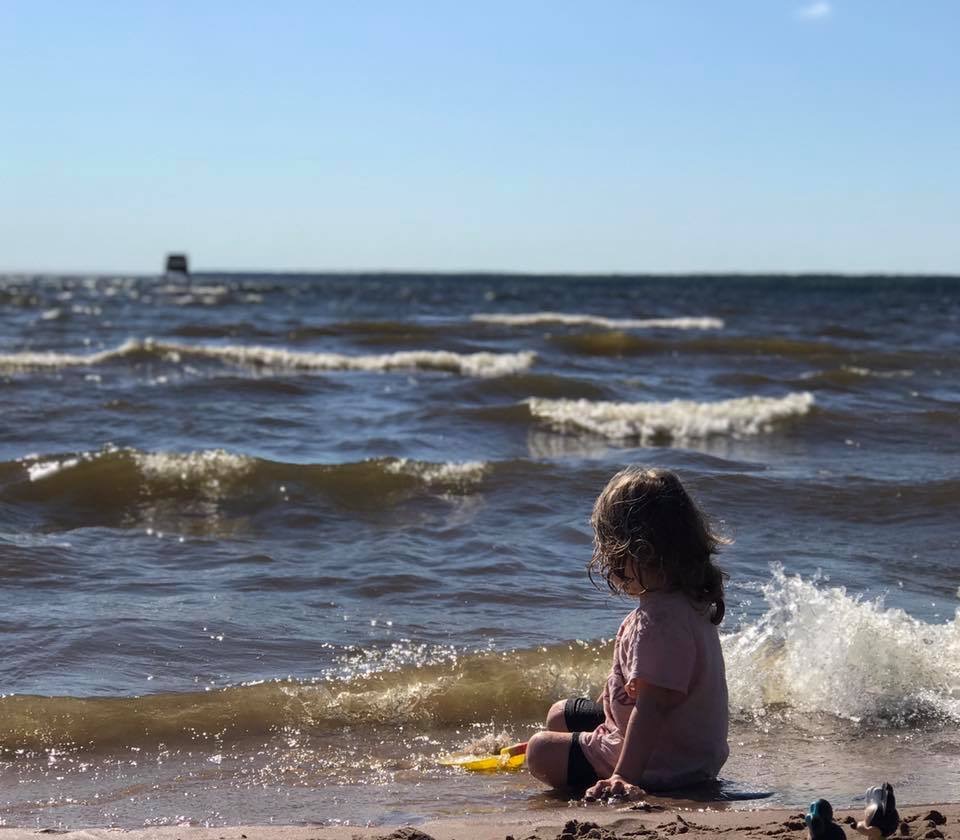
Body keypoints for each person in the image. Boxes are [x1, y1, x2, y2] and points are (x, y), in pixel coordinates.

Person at [525, 467, 730, 799]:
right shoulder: (683, 603)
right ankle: (593, 748)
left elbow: (652, 709)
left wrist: (623, 776)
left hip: (665, 764)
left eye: (611, 553)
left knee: (539, 751)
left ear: (636, 550)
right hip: (689, 751)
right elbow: (633, 693)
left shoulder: (659, 624)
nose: (607, 564)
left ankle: (613, 766)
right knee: (561, 714)